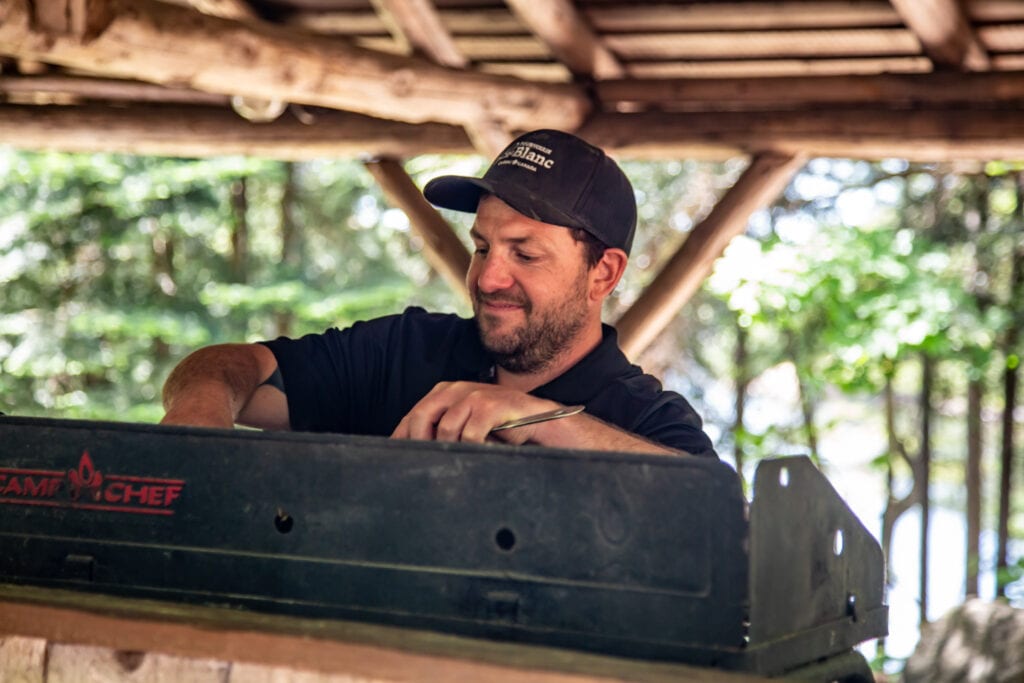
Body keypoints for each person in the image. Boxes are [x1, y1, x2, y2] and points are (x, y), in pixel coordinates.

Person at [161, 129, 716, 457]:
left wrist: (533, 417)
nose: (489, 279)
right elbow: (230, 368)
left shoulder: (646, 419)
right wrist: (198, 415)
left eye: (524, 253)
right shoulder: (404, 352)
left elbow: (720, 517)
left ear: (604, 273)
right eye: (482, 248)